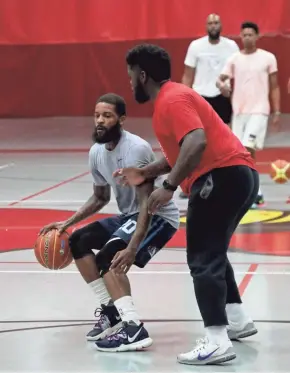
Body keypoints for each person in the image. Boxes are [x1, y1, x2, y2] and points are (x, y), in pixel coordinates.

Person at [113, 44, 258, 365]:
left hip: (219, 178)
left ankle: (217, 340)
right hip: (238, 175)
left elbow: (196, 141)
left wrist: (168, 186)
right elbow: (182, 153)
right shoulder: (175, 96)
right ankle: (237, 320)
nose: (129, 82)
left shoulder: (171, 99)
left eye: (130, 75)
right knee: (214, 250)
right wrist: (146, 172)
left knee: (202, 257)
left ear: (142, 75)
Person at [40, 93, 179, 352]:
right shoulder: (96, 152)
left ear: (122, 119)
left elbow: (146, 205)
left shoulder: (136, 149)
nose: (100, 121)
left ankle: (133, 327)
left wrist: (131, 247)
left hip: (157, 216)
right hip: (129, 216)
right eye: (97, 116)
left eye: (107, 116)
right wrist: (67, 222)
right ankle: (111, 310)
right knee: (78, 240)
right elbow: (100, 197)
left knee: (109, 256)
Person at [217, 21, 280, 208]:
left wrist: (276, 111)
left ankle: (252, 191)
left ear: (257, 36)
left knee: (247, 147)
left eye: (250, 35)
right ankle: (254, 190)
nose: (247, 38)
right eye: (244, 35)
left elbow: (275, 86)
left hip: (259, 110)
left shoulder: (268, 58)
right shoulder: (234, 59)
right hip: (239, 111)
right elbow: (221, 80)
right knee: (238, 152)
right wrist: (223, 87)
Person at [179, 14, 238, 199]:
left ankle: (225, 179)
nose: (213, 26)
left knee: (224, 139)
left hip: (222, 97)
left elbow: (237, 74)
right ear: (206, 26)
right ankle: (193, 181)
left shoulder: (231, 46)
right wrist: (183, 98)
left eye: (216, 22)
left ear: (221, 25)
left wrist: (235, 96)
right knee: (197, 141)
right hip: (200, 97)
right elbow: (188, 74)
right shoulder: (196, 46)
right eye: (210, 23)